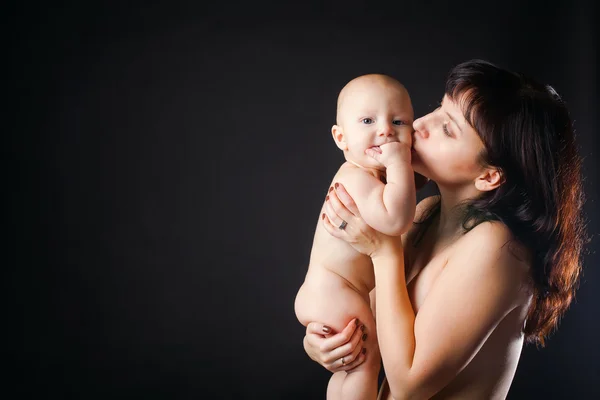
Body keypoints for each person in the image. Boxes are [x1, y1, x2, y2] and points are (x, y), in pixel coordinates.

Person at [302, 59, 587, 399]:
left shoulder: (498, 248)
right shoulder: (426, 214)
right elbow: (375, 325)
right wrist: (330, 342)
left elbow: (409, 383)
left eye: (448, 129)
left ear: (489, 176)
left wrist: (384, 250)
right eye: (439, 108)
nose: (419, 124)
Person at [294, 74, 417, 399]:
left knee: (354, 369)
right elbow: (397, 218)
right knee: (365, 364)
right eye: (367, 120)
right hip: (336, 289)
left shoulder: (368, 177)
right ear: (341, 137)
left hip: (331, 291)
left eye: (399, 121)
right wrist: (399, 163)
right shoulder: (356, 179)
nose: (386, 130)